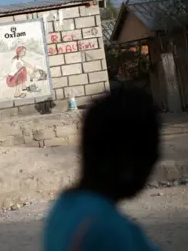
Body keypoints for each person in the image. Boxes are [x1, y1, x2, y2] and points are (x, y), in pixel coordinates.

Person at [43, 87, 162, 251]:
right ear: (127, 158)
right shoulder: (107, 231)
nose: (157, 159)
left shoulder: (63, 209)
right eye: (150, 151)